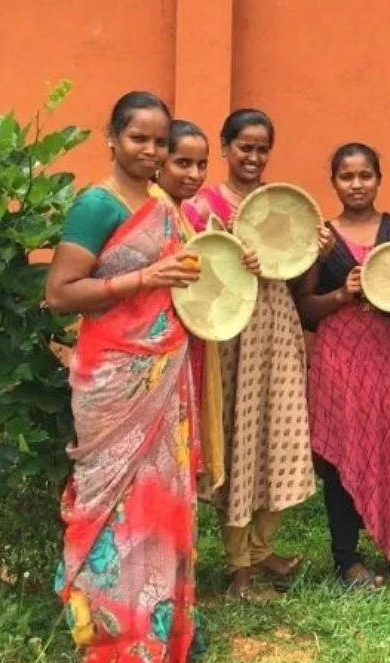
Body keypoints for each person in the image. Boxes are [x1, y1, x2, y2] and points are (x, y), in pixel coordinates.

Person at [46, 92, 202, 663]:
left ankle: (157, 634)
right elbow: (61, 291)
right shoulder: (96, 204)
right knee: (113, 508)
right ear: (112, 137)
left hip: (164, 375)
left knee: (159, 503)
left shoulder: (164, 205)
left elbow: (184, 280)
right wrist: (141, 278)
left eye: (161, 141)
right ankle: (114, 643)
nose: (152, 151)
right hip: (113, 378)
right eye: (140, 138)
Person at [183, 109, 332, 597]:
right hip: (231, 335)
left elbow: (298, 283)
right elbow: (193, 272)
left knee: (282, 434)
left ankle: (263, 548)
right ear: (225, 148)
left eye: (262, 147)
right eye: (244, 146)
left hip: (277, 326)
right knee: (240, 440)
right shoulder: (203, 206)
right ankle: (237, 566)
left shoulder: (281, 206)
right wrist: (227, 247)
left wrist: (318, 252)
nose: (253, 156)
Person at [294, 143, 390, 591]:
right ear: (333, 181)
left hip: (388, 355)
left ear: (379, 177)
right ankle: (347, 559)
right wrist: (342, 293)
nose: (356, 184)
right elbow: (304, 309)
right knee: (343, 453)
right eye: (346, 176)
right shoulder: (325, 237)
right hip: (340, 358)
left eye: (365, 175)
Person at [152, 119, 259, 499]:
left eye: (201, 165)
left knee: (175, 455)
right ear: (160, 161)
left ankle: (174, 552)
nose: (194, 174)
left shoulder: (177, 213)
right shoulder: (154, 212)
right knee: (158, 457)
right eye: (183, 163)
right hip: (152, 355)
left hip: (185, 343)